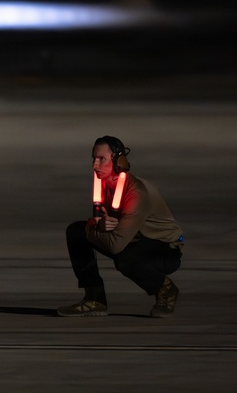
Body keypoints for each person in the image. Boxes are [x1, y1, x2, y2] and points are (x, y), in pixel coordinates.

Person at [58, 136, 184, 318]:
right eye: (93, 158)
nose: (95, 165)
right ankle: (95, 299)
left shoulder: (136, 193)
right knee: (75, 232)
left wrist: (92, 227)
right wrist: (97, 225)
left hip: (163, 249)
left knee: (124, 258)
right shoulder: (104, 182)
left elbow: (115, 245)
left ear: (119, 161)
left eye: (101, 159)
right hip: (132, 238)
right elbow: (104, 225)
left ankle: (165, 289)